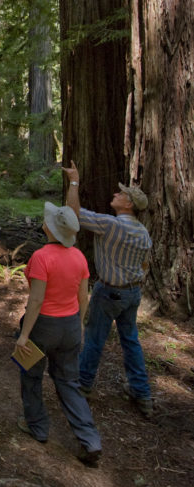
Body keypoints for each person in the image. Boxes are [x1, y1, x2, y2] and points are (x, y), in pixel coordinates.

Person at [63, 161, 154, 418]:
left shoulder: (111, 225)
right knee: (131, 341)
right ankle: (142, 393)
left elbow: (74, 213)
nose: (115, 194)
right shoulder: (143, 233)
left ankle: (83, 385)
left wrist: (74, 181)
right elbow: (145, 263)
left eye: (121, 194)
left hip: (108, 292)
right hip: (133, 293)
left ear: (128, 205)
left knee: (94, 339)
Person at [15, 201, 102, 467]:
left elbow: (37, 300)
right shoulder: (79, 257)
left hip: (43, 326)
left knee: (30, 374)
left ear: (49, 228)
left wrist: (24, 335)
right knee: (68, 381)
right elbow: (83, 297)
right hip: (70, 327)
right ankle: (90, 439)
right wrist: (79, 325)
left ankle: (37, 427)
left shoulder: (41, 256)